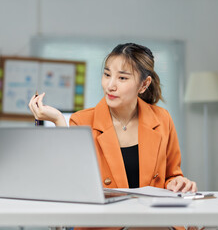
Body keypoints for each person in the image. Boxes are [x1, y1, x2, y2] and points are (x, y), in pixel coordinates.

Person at [29, 43, 197, 193]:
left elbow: (172, 176)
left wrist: (178, 183)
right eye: (107, 75)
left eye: (122, 78)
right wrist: (58, 120)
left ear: (144, 84)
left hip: (152, 220)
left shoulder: (162, 119)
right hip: (104, 223)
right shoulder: (81, 121)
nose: (110, 86)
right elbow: (71, 181)